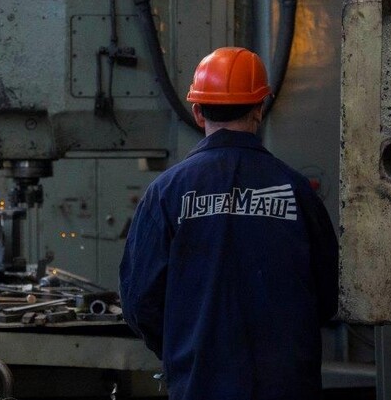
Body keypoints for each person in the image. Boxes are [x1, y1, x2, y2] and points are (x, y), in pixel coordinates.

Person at [119, 47, 339, 400]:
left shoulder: (166, 192)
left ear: (197, 111)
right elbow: (328, 295)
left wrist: (186, 350)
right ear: (259, 109)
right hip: (287, 386)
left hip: (199, 385)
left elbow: (140, 302)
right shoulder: (296, 191)